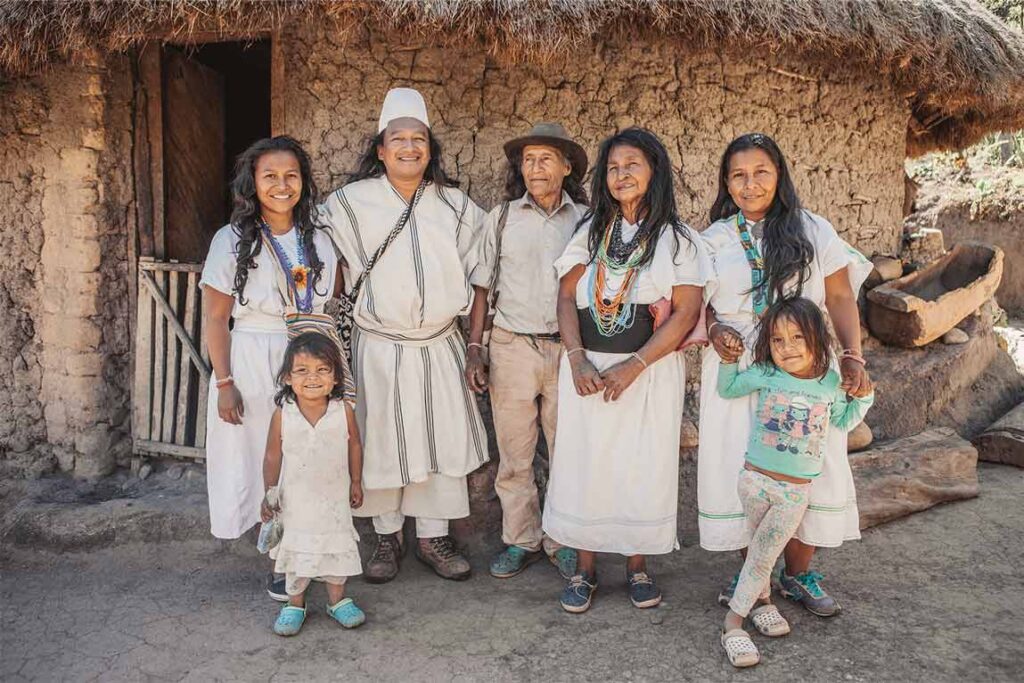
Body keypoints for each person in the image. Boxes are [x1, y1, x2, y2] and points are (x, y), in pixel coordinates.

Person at [698, 133, 874, 616]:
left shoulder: (814, 230)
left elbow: (839, 298)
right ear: (725, 181)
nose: (749, 184)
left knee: (810, 462)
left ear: (780, 176)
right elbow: (697, 308)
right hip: (741, 364)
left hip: (806, 363)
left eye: (761, 172)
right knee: (741, 465)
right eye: (738, 174)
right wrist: (714, 330)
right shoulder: (712, 239)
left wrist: (853, 355)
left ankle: (797, 573)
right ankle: (753, 568)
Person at [320, 88, 488, 582]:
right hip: (378, 345)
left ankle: (434, 537)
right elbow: (332, 269)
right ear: (380, 148)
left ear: (431, 150)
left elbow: (481, 279)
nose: (409, 147)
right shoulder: (349, 204)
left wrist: (474, 345)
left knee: (440, 443)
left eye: (419, 139)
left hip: (440, 344)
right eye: (399, 139)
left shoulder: (457, 208)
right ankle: (386, 538)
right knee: (381, 440)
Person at [542, 127, 709, 613]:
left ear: (654, 170)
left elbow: (683, 313)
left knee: (642, 464)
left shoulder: (679, 241)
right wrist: (575, 359)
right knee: (585, 464)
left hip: (649, 373)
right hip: (589, 371)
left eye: (632, 164)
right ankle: (586, 570)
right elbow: (567, 297)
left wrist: (634, 366)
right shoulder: (591, 232)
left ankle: (637, 568)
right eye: (613, 167)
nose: (622, 175)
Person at [200, 136, 340, 601]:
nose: (282, 185)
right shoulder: (231, 240)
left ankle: (307, 549)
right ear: (252, 183)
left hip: (307, 356)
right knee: (262, 455)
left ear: (304, 182)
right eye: (270, 176)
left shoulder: (318, 239)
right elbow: (217, 318)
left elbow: (329, 305)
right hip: (252, 356)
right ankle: (280, 558)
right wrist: (224, 383)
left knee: (305, 455)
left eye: (291, 175)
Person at [716, 298, 874, 667]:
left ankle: (732, 622)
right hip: (753, 481)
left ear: (818, 338)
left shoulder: (830, 383)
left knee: (762, 555)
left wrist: (864, 397)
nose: (786, 348)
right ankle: (762, 602)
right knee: (760, 551)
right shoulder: (767, 373)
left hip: (793, 492)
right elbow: (729, 388)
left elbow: (844, 421)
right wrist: (726, 362)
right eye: (777, 340)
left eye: (797, 337)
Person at [464, 123, 588, 580]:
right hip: (512, 347)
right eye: (528, 160)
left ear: (567, 166)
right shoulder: (500, 218)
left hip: (569, 351)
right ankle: (521, 540)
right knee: (515, 455)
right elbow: (482, 288)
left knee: (565, 452)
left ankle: (562, 541)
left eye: (546, 159)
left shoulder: (588, 220)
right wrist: (475, 348)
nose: (535, 168)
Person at [261, 332, 366, 636]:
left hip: (333, 499)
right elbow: (271, 456)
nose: (312, 378)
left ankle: (337, 600)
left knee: (335, 548)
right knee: (297, 551)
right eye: (302, 370)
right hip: (296, 501)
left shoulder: (343, 411)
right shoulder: (283, 414)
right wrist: (269, 493)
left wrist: (356, 481)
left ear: (335, 377)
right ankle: (295, 604)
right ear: (287, 377)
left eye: (322, 370)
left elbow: (355, 447)